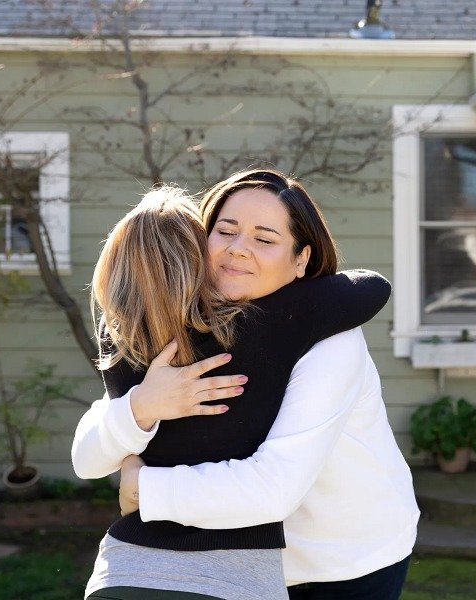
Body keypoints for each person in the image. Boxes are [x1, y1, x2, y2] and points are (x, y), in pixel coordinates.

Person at [74, 174, 393, 600]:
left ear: (301, 260)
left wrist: (142, 487)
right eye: (225, 231)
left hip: (336, 561)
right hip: (232, 564)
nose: (238, 248)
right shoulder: (173, 332)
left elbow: (273, 488)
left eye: (264, 239)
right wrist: (141, 406)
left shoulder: (327, 337)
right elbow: (87, 458)